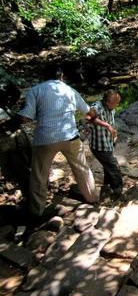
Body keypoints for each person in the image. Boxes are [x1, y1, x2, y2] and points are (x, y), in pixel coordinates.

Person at [17, 70, 99, 217]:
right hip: (70, 137)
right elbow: (90, 111)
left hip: (45, 139)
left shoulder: (35, 90)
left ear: (43, 77)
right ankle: (92, 199)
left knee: (39, 176)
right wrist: (92, 118)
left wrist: (8, 124)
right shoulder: (69, 90)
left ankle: (37, 211)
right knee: (82, 169)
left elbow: (25, 117)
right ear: (61, 76)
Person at [88, 90, 123, 199]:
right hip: (99, 146)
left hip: (108, 144)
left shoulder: (111, 109)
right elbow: (88, 117)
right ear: (108, 102)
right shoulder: (97, 105)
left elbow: (111, 123)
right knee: (114, 168)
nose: (118, 105)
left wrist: (113, 133)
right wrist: (107, 125)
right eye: (116, 102)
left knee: (108, 168)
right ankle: (118, 191)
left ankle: (106, 189)